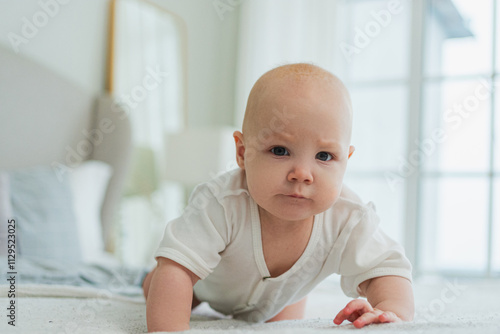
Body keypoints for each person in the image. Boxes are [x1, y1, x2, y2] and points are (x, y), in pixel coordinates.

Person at [143, 63, 414, 332]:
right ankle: (153, 279)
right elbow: (178, 268)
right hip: (206, 286)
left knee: (284, 326)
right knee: (162, 286)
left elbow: (387, 268)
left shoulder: (348, 218)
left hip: (283, 300)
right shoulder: (221, 203)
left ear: (346, 160)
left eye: (324, 156)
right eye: (280, 150)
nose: (302, 174)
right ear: (242, 153)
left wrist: (387, 310)